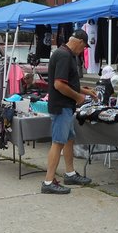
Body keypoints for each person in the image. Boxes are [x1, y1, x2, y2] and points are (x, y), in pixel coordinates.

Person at [41, 29, 96, 194]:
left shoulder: (64, 53)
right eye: (84, 47)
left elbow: (68, 82)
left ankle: (70, 173)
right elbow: (59, 85)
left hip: (65, 106)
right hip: (61, 106)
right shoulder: (64, 56)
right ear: (79, 42)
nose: (83, 51)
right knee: (58, 143)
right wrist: (78, 97)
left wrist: (85, 91)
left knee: (69, 139)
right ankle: (48, 181)